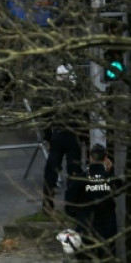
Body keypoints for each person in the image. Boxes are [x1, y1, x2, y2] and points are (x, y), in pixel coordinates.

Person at [42, 64, 85, 215]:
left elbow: (46, 118)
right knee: (74, 171)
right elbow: (83, 116)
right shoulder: (77, 94)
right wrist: (84, 137)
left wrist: (48, 137)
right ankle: (73, 203)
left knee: (51, 170)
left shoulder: (52, 95)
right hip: (73, 135)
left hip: (58, 135)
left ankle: (48, 203)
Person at [73, 144, 117, 259]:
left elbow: (70, 202)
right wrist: (109, 172)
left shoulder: (81, 178)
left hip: (86, 225)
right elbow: (119, 189)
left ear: (90, 157)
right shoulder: (109, 179)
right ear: (105, 158)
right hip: (108, 227)